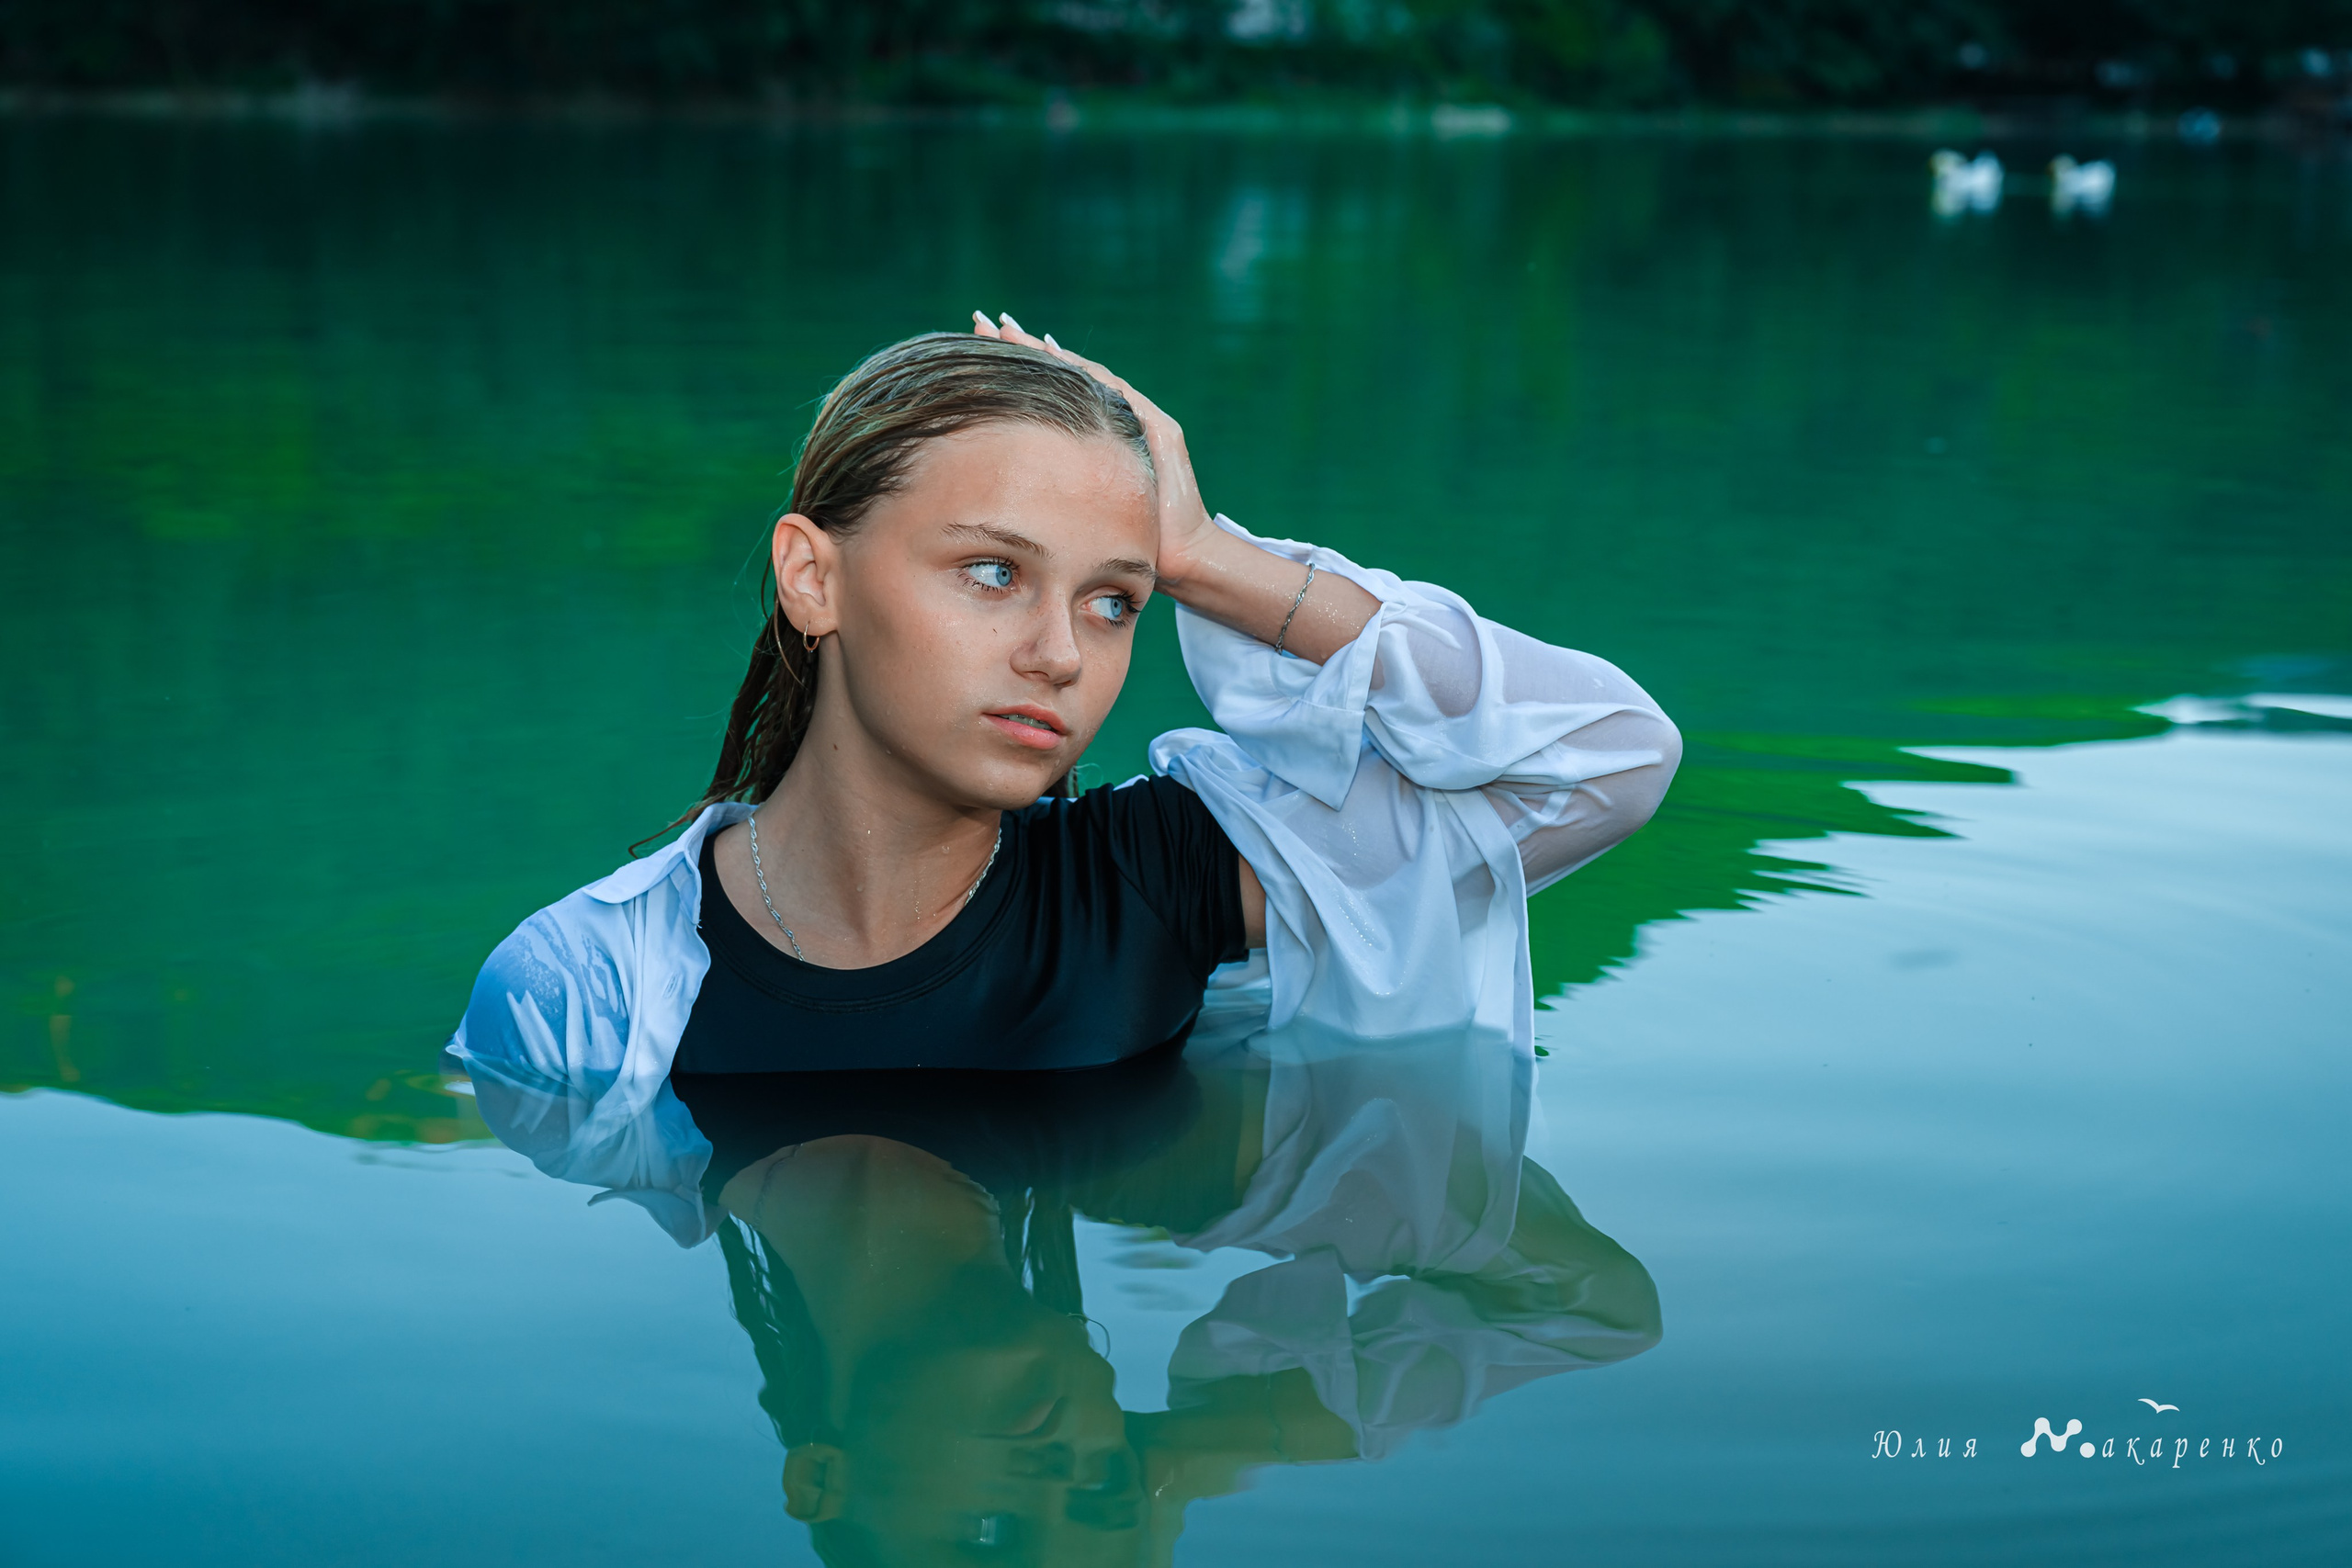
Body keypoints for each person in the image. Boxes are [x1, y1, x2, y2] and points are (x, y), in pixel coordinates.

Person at [448, 315, 1679, 1111]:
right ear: (813, 577)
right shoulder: (590, 996)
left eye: (1113, 602)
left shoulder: (1161, 883)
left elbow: (1606, 760)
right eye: (993, 572)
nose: (1059, 655)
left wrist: (1204, 558)